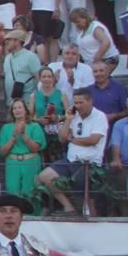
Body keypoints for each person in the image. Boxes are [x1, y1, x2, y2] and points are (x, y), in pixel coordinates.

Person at [35, 86, 108, 214]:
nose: (78, 106)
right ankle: (68, 207)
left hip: (89, 164)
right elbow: (62, 139)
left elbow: (93, 140)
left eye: (81, 102)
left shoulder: (99, 116)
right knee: (44, 176)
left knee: (86, 203)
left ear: (90, 101)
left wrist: (73, 140)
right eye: (75, 103)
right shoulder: (74, 116)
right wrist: (68, 119)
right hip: (70, 160)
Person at [0, 98, 46, 200]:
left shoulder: (35, 126)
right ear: (11, 112)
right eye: (14, 108)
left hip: (31, 162)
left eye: (20, 107)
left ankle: (33, 216)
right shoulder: (6, 128)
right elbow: (2, 152)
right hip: (12, 163)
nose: (17, 110)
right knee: (12, 192)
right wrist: (14, 138)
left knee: (30, 193)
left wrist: (23, 134)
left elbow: (36, 148)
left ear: (25, 110)